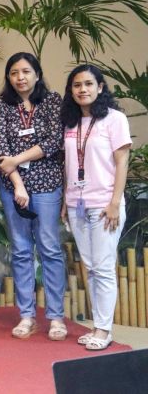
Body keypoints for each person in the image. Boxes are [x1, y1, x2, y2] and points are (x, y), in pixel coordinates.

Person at [0, 52, 66, 341]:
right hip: (13, 186)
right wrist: (17, 182)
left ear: (37, 73)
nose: (20, 77)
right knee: (21, 250)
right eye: (14, 73)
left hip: (47, 182)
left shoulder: (52, 101)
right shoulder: (1, 105)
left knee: (49, 248)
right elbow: (0, 146)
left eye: (25, 71)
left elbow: (53, 140)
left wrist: (17, 159)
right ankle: (26, 316)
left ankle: (56, 316)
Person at [60, 65, 131, 351]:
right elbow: (69, 166)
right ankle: (97, 325)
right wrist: (66, 201)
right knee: (90, 267)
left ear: (100, 87)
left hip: (104, 205)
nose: (83, 90)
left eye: (89, 84)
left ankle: (104, 329)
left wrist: (115, 202)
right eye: (77, 85)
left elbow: (122, 162)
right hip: (77, 205)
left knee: (102, 268)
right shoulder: (71, 122)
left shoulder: (115, 119)